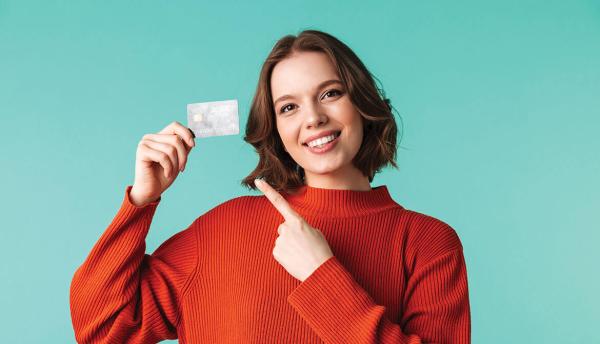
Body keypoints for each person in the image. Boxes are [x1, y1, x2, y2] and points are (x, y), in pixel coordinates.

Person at [70, 29, 471, 343]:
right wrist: (141, 200)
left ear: (363, 104)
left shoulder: (428, 242)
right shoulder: (221, 229)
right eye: (289, 107)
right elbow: (101, 326)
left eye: (330, 93)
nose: (312, 118)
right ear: (276, 129)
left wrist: (322, 276)